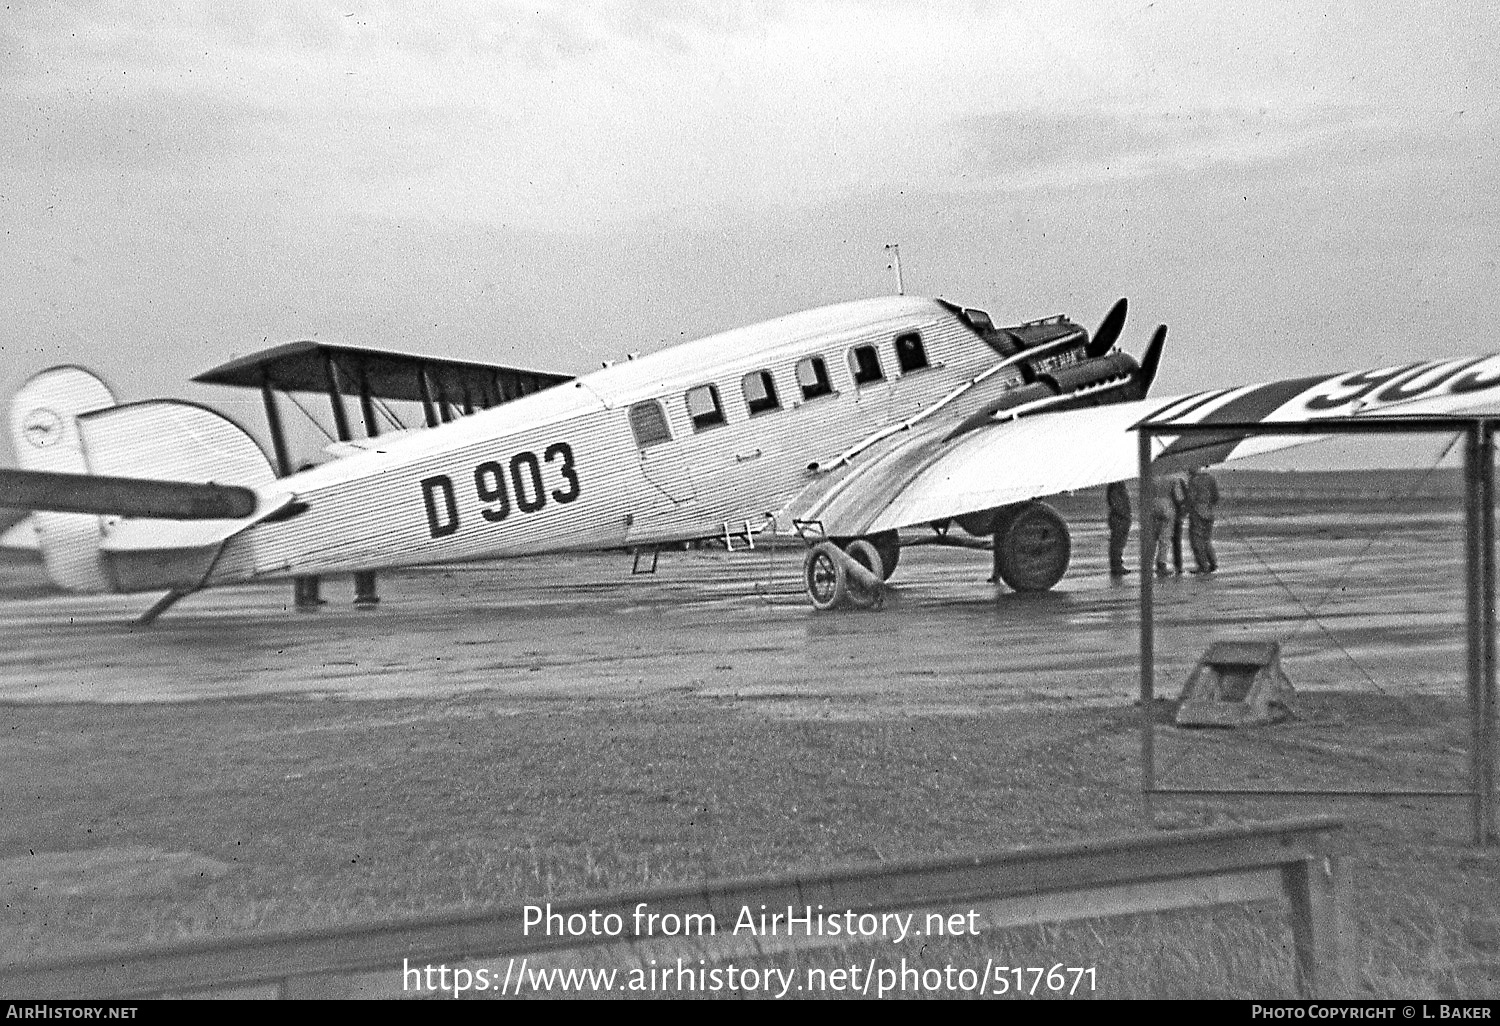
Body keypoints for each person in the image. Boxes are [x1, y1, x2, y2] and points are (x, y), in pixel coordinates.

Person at [1187, 466, 1220, 573]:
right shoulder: (1210, 478)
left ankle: (1202, 565)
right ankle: (1213, 562)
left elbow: (1191, 498)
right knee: (1207, 539)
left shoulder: (1193, 480)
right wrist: (1210, 504)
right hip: (1209, 512)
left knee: (1196, 540)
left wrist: (1186, 509)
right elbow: (1216, 496)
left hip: (1197, 512)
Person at [1151, 476, 1179, 576]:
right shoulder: (1172, 478)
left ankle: (1148, 562)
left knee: (1152, 537)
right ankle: (1161, 564)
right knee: (1165, 538)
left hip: (1153, 505)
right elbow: (1176, 496)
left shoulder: (1152, 477)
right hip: (1167, 505)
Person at [1105, 481, 1133, 576]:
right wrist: (1125, 515)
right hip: (1119, 518)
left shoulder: (1116, 485)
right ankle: (1116, 566)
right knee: (1117, 543)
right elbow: (1117, 502)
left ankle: (1117, 565)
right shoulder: (1117, 486)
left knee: (1118, 543)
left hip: (1119, 517)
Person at [1168, 472, 1189, 574]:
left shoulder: (1158, 477)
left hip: (1165, 512)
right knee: (1176, 541)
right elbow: (1180, 499)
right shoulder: (1178, 480)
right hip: (1175, 514)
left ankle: (1161, 564)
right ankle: (1178, 565)